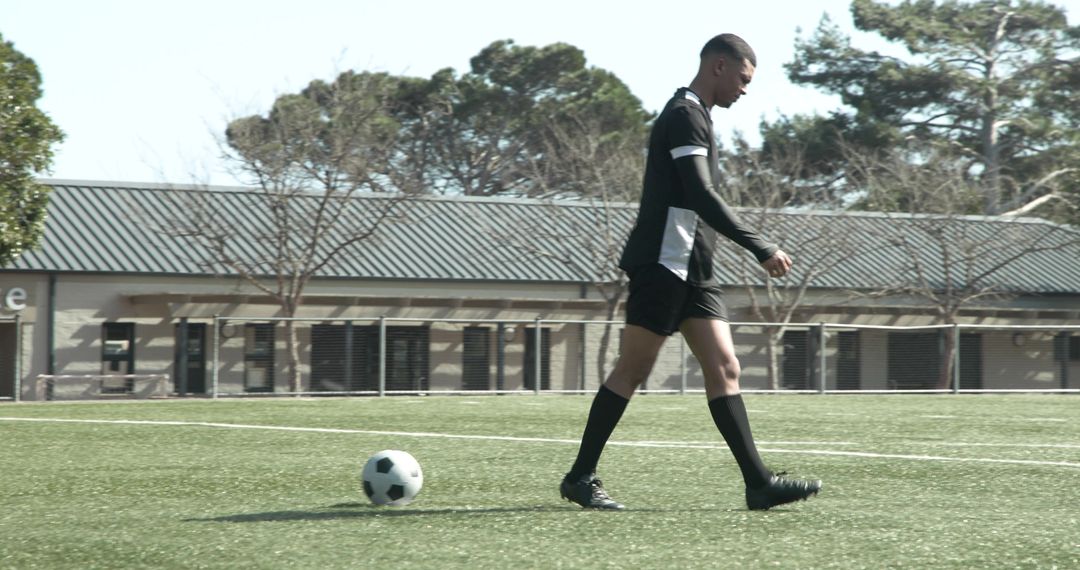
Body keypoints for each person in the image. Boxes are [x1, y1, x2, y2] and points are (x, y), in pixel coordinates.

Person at [559, 33, 822, 511]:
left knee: (725, 367)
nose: (745, 90)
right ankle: (580, 477)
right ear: (719, 66)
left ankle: (758, 484)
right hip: (663, 263)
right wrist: (759, 245)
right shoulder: (684, 114)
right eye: (743, 79)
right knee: (633, 369)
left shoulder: (698, 116)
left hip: (693, 268)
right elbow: (699, 193)